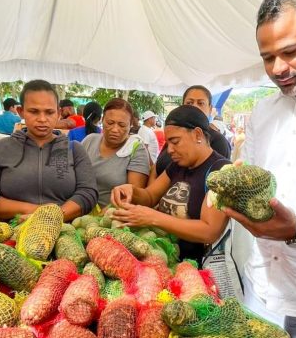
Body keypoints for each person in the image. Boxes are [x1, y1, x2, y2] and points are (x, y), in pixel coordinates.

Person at [222, 0, 296, 337]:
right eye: (267, 56)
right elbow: (251, 183)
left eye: (291, 51)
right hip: (260, 287)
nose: (277, 68)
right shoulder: (262, 111)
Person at [111, 105, 230, 266]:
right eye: (168, 143)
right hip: (166, 259)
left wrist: (153, 218)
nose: (170, 150)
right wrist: (131, 191)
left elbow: (209, 231)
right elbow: (150, 196)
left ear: (197, 134)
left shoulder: (221, 172)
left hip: (196, 269)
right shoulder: (178, 164)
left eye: (175, 142)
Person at [0, 80, 98, 222]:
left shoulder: (75, 150)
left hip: (64, 235)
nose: (42, 119)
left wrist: (53, 217)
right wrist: (38, 212)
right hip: (11, 235)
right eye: (33, 111)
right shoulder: (0, 149)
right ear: (21, 112)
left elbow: (88, 193)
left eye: (49, 112)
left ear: (58, 113)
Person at [152, 85, 231, 182]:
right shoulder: (173, 135)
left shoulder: (218, 142)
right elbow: (156, 168)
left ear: (210, 109)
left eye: (200, 103)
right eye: (189, 103)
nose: (194, 106)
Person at [81, 98, 150, 209]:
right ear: (102, 120)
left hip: (110, 218)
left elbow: (132, 197)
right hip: (79, 209)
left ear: (130, 125)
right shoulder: (89, 141)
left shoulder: (136, 150)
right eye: (110, 123)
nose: (115, 129)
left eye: (122, 125)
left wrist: (104, 216)